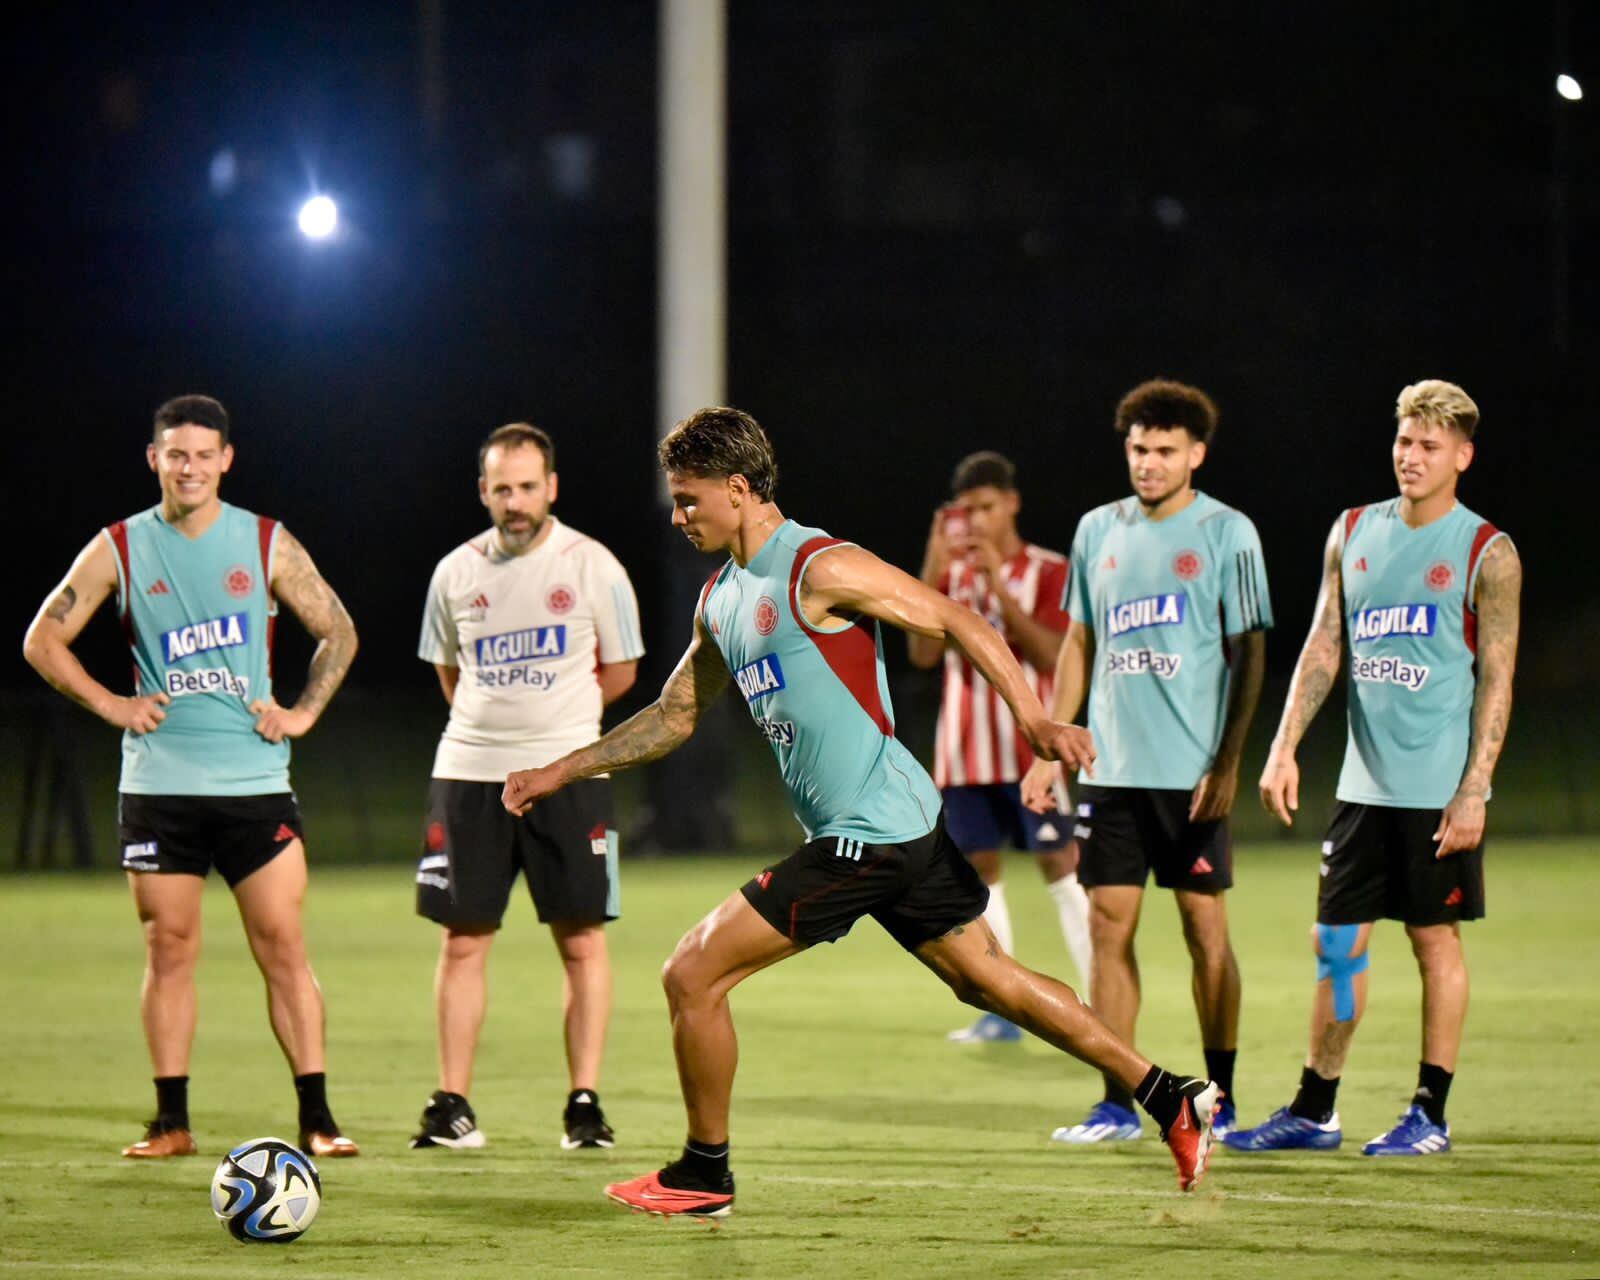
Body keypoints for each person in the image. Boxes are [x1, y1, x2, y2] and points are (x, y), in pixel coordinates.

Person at [502, 407, 1220, 1218]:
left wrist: (1036, 722)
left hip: (870, 834)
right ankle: (1168, 1095)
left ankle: (705, 1174)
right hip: (892, 827)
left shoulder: (817, 563)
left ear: (738, 490)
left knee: (691, 973)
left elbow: (957, 617)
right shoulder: (723, 598)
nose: (679, 516)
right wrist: (560, 768)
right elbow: (673, 715)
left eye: (689, 498)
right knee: (991, 983)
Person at [22, 394, 360, 1159]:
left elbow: (338, 628)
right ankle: (170, 1122)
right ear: (155, 459)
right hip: (158, 786)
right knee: (168, 948)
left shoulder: (265, 541)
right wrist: (113, 704)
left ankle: (319, 1117)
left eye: (205, 454)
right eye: (176, 454)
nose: (191, 467)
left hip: (253, 781)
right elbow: (43, 638)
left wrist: (301, 712)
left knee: (282, 943)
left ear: (226, 460)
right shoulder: (121, 547)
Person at [1224, 379, 1519, 1158]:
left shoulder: (1488, 552)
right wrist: (1284, 746)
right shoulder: (1353, 530)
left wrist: (1474, 788)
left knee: (1434, 943)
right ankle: (1316, 1109)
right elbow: (1325, 646)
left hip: (1437, 796)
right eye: (1404, 441)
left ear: (1462, 456)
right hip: (1362, 790)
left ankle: (1430, 1112)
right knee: (1338, 945)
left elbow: (1498, 679)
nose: (1411, 456)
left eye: (1429, 445)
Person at [1022, 378, 1272, 1144]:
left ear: (1196, 453)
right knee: (1107, 927)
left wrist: (1228, 761)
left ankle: (1220, 1094)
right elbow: (1080, 643)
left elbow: (1250, 650)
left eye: (1165, 450)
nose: (1150, 462)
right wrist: (1050, 745)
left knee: (1205, 931)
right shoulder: (1098, 530)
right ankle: (1116, 1101)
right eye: (1139, 449)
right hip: (1112, 770)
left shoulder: (1229, 533)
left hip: (1190, 774)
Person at [409, 422, 644, 1152]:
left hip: (569, 774)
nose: (515, 501)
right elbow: (448, 674)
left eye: (527, 486)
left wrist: (559, 736)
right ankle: (452, 1106)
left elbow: (623, 670)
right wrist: (495, 732)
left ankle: (583, 1105)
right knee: (463, 941)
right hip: (469, 773)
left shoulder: (594, 564)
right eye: (501, 488)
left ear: (552, 486)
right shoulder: (453, 573)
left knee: (581, 941)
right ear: (484, 491)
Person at [909, 450, 1092, 1043]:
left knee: (1061, 864)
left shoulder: (1048, 569)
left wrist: (996, 587)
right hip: (964, 753)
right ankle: (1004, 1010)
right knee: (979, 877)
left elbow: (1048, 654)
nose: (979, 521)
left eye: (987, 507)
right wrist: (938, 561)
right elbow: (922, 656)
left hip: (1028, 753)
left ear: (1011, 502)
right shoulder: (951, 581)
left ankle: (1096, 995)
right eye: (969, 512)